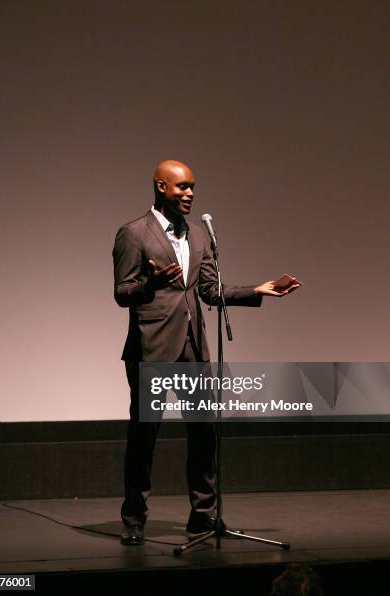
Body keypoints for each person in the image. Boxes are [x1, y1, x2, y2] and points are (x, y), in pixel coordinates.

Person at [112, 159, 301, 545]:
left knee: (204, 434)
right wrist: (149, 283)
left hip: (194, 349)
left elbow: (210, 292)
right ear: (160, 187)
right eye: (181, 187)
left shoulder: (200, 234)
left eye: (192, 187)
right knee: (144, 437)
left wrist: (257, 291)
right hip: (151, 349)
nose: (190, 193)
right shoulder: (133, 234)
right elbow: (122, 293)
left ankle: (203, 517)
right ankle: (134, 517)